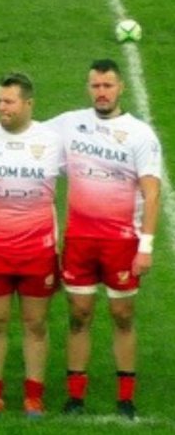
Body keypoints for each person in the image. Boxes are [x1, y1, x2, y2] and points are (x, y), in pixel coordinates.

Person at [55, 59, 161, 420]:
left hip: (121, 241)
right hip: (79, 239)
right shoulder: (69, 123)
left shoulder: (140, 134)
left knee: (122, 315)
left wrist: (145, 248)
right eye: (96, 86)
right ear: (89, 88)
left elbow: (152, 193)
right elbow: (27, 132)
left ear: (120, 88)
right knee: (79, 315)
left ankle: (125, 399)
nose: (102, 92)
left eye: (108, 86)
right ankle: (75, 398)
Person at [0, 73, 62, 420]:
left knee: (36, 324)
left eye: (9, 101)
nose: (1, 107)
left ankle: (34, 397)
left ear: (28, 103)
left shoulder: (53, 140)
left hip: (38, 249)